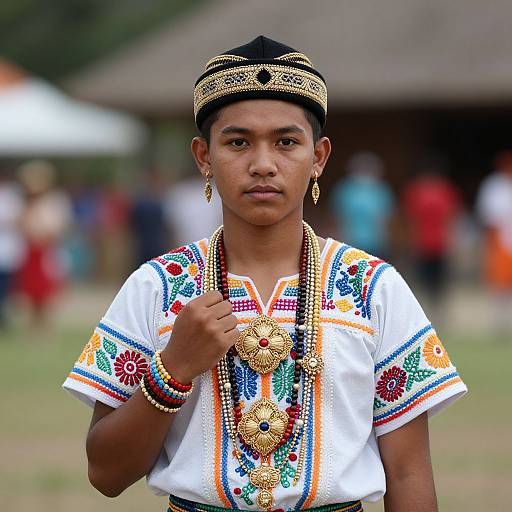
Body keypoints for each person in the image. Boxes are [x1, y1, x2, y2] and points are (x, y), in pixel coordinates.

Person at [63, 36, 467, 512]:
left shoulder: (373, 287)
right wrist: (173, 368)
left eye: (287, 142)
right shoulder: (157, 286)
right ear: (203, 157)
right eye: (237, 142)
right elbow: (105, 474)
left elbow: (408, 471)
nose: (262, 164)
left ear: (318, 157)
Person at [402, 161, 462, 313]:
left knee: (438, 280)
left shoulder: (439, 190)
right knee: (425, 279)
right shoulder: (424, 191)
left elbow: (451, 216)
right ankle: (428, 310)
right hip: (424, 241)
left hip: (437, 242)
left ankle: (437, 310)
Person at [330, 151, 395, 259]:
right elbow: (337, 217)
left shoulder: (381, 190)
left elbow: (387, 217)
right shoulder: (345, 189)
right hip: (350, 242)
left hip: (376, 243)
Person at [476, 150, 512, 334]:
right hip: (501, 240)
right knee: (499, 284)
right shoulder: (494, 186)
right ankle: (500, 322)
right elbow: (489, 216)